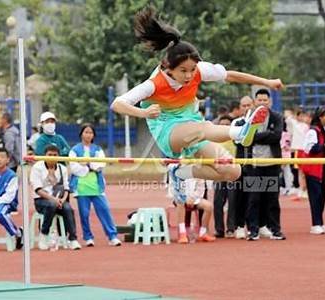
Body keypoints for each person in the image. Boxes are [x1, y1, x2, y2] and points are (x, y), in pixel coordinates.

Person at [111, 6, 284, 202]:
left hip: (193, 124)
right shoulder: (153, 84)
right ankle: (239, 132)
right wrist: (144, 113)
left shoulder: (198, 70)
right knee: (202, 127)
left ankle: (182, 173)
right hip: (167, 130)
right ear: (169, 68)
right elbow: (118, 104)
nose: (189, 75)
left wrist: (267, 82)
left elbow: (230, 75)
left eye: (192, 70)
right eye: (183, 71)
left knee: (232, 170)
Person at [69, 124, 122, 247]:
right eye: (86, 132)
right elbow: (74, 167)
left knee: (104, 210)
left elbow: (100, 164)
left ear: (94, 135)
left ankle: (112, 236)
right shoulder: (74, 150)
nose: (88, 135)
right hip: (82, 186)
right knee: (84, 213)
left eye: (90, 133)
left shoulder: (98, 149)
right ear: (81, 134)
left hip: (97, 186)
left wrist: (87, 164)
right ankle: (88, 237)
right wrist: (88, 166)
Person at [244, 89, 285, 241]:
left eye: (265, 100)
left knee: (272, 199)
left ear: (270, 102)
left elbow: (277, 136)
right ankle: (253, 230)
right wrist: (267, 134)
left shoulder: (277, 117)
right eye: (259, 100)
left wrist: (258, 137)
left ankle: (276, 230)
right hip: (254, 164)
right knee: (254, 198)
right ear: (255, 102)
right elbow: (247, 138)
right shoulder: (250, 118)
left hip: (272, 163)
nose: (262, 103)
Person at [30, 144, 82, 250]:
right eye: (49, 155)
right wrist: (53, 199)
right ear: (44, 155)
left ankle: (73, 239)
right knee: (51, 205)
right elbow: (38, 189)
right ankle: (44, 235)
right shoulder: (37, 167)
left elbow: (66, 188)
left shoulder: (62, 168)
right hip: (41, 201)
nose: (52, 157)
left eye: (55, 155)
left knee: (68, 208)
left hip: (59, 199)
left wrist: (62, 200)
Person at [300, 107, 325, 235]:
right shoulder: (313, 132)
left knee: (321, 197)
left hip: (322, 169)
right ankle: (315, 224)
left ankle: (320, 223)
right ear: (320, 117)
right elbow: (309, 149)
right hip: (313, 169)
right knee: (315, 197)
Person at [231, 96, 254, 239]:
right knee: (240, 197)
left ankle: (255, 226)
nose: (246, 108)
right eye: (243, 106)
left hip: (255, 163)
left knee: (255, 197)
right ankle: (239, 226)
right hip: (240, 165)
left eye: (248, 105)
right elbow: (238, 141)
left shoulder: (258, 123)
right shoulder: (236, 122)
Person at [170, 174, 215, 244]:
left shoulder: (198, 173)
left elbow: (201, 189)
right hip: (180, 197)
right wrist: (185, 198)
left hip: (195, 199)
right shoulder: (179, 171)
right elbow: (175, 188)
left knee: (209, 206)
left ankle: (203, 233)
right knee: (180, 202)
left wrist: (193, 198)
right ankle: (182, 234)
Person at [213, 116, 236, 238]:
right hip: (219, 174)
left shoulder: (235, 139)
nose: (225, 127)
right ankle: (219, 229)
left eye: (228, 124)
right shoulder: (215, 140)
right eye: (223, 125)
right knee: (218, 202)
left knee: (232, 201)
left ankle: (231, 228)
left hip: (232, 174)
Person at [285, 108, 310, 198]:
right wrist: (293, 115)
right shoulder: (294, 124)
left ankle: (305, 189)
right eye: (300, 115)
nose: (302, 117)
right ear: (297, 116)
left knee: (306, 172)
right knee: (299, 172)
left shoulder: (306, 126)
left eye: (303, 115)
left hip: (304, 151)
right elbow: (287, 119)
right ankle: (300, 189)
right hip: (297, 151)